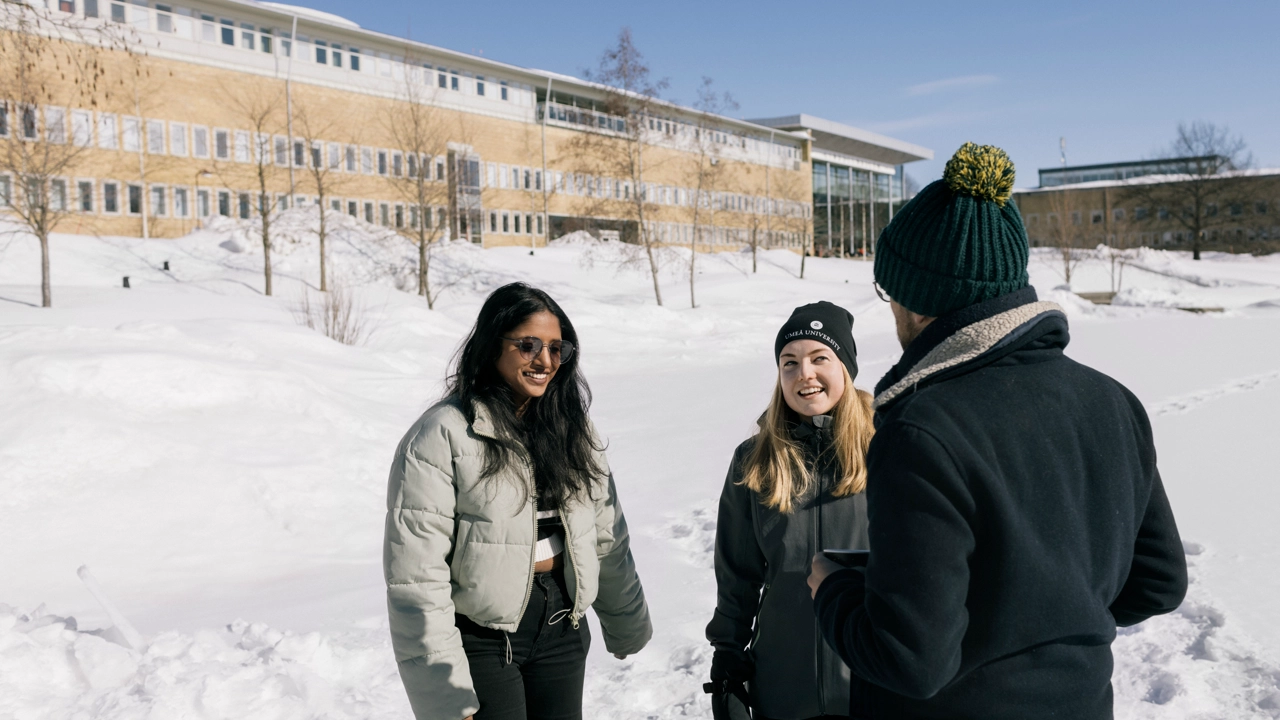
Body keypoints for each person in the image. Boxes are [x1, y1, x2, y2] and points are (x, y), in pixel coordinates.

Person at [807, 143, 1188, 719]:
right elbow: (1157, 583)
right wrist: (1053, 616)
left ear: (917, 298)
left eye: (889, 293)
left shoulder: (922, 433)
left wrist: (831, 590)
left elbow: (910, 660)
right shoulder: (1114, 401)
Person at [384, 282, 652, 720]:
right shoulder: (444, 434)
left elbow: (605, 534)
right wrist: (443, 693)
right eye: (528, 346)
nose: (545, 361)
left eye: (556, 348)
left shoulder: (573, 430)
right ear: (493, 345)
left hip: (563, 623)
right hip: (484, 637)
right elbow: (416, 574)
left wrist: (626, 625)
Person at [706, 301, 876, 720]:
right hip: (783, 690)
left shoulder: (890, 449)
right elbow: (737, 575)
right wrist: (728, 654)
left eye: (821, 358)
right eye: (789, 363)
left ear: (846, 368)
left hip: (874, 684)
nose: (805, 374)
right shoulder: (755, 460)